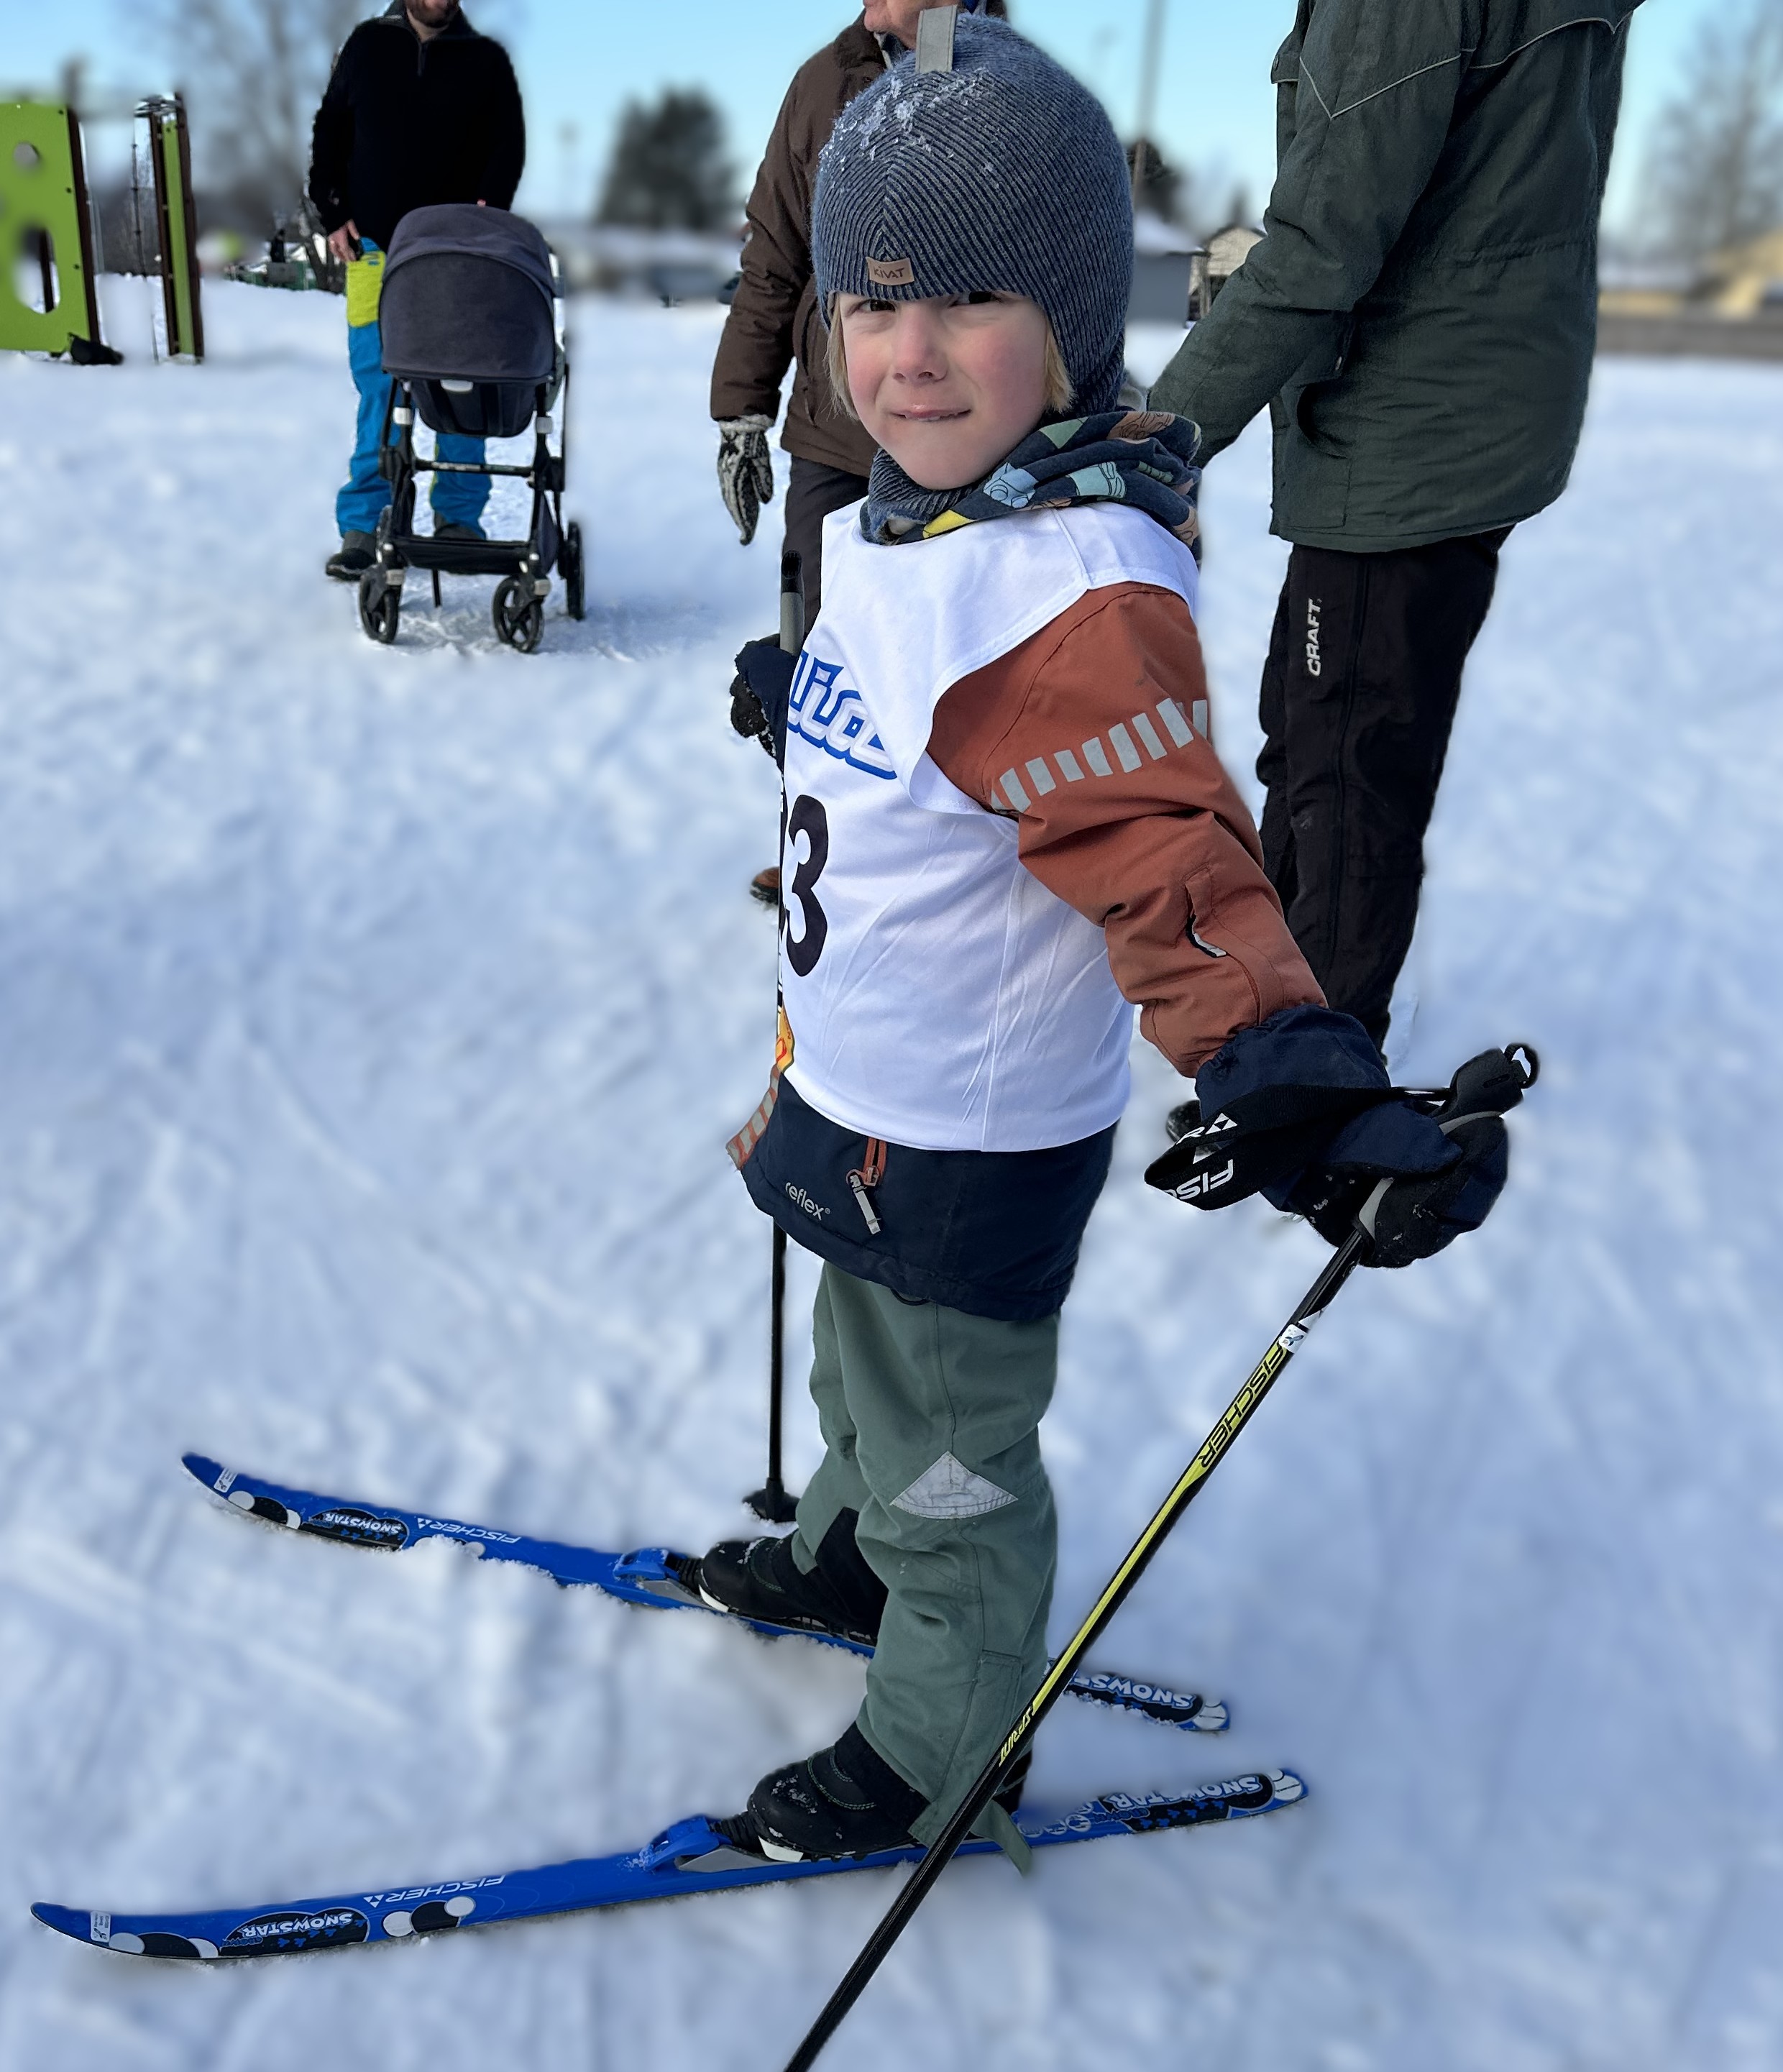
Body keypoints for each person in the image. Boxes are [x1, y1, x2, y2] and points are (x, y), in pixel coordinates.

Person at [697, 16, 1509, 1866]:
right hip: (862, 1084)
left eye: (967, 298)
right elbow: (921, 695)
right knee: (858, 1371)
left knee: (947, 1450)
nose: (904, 354)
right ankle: (846, 1557)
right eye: (868, 305)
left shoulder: (1068, 584)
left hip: (964, 1136)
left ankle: (939, 1733)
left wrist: (1288, 1069)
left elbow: (1162, 849)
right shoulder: (934, 515)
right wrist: (802, 680)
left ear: (1066, 318)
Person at [1148, 1, 1644, 1053]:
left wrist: (1152, 444)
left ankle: (1311, 1070)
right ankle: (1283, 1002)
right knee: (1322, 726)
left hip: (1407, 433)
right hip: (1478, 407)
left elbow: (1326, 242)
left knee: (1343, 770)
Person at [710, 0, 1005, 623]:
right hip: (838, 440)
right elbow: (774, 258)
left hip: (982, 446)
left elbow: (1064, 277)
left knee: (962, 670)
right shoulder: (823, 84)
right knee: (818, 648)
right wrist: (741, 410)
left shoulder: (1017, 81)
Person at [308, 0, 526, 581]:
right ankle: (365, 522)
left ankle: (457, 518)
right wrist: (332, 211)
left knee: (459, 383)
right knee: (378, 385)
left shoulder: (485, 61)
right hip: (373, 249)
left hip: (454, 256)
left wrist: (488, 208)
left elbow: (507, 145)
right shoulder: (366, 47)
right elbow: (330, 132)